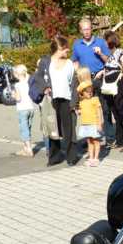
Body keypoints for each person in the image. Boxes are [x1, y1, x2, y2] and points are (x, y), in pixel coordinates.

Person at [71, 19, 113, 145]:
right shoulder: (77, 44)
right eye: (84, 29)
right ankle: (91, 138)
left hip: (99, 77)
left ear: (91, 29)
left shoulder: (100, 42)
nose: (87, 32)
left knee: (105, 108)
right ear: (80, 30)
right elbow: (75, 62)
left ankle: (110, 137)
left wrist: (101, 54)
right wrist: (78, 74)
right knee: (88, 110)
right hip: (85, 81)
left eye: (88, 29)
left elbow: (109, 61)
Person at [101, 31, 123, 152]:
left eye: (105, 40)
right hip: (111, 88)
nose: (104, 43)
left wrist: (122, 71)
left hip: (120, 87)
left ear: (110, 41)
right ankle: (121, 140)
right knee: (116, 113)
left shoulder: (119, 51)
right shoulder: (111, 54)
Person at [48, 35, 76, 166]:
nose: (68, 50)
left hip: (66, 99)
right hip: (52, 100)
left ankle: (71, 157)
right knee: (53, 129)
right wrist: (44, 88)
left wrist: (74, 103)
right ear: (59, 48)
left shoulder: (69, 63)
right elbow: (40, 78)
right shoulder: (47, 62)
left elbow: (73, 84)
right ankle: (55, 157)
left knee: (68, 129)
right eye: (65, 48)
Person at [75, 80, 103, 167]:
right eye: (87, 92)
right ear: (82, 93)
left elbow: (99, 112)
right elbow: (80, 112)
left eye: (91, 91)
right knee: (89, 142)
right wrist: (78, 111)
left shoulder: (95, 99)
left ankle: (96, 158)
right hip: (86, 125)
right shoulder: (81, 102)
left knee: (96, 141)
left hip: (94, 124)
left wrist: (99, 123)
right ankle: (91, 158)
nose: (90, 93)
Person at [12, 64, 35, 157]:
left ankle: (28, 149)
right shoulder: (29, 82)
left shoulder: (17, 85)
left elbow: (18, 98)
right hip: (31, 108)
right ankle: (25, 148)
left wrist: (13, 95)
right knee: (28, 128)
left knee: (24, 129)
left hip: (22, 109)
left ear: (17, 74)